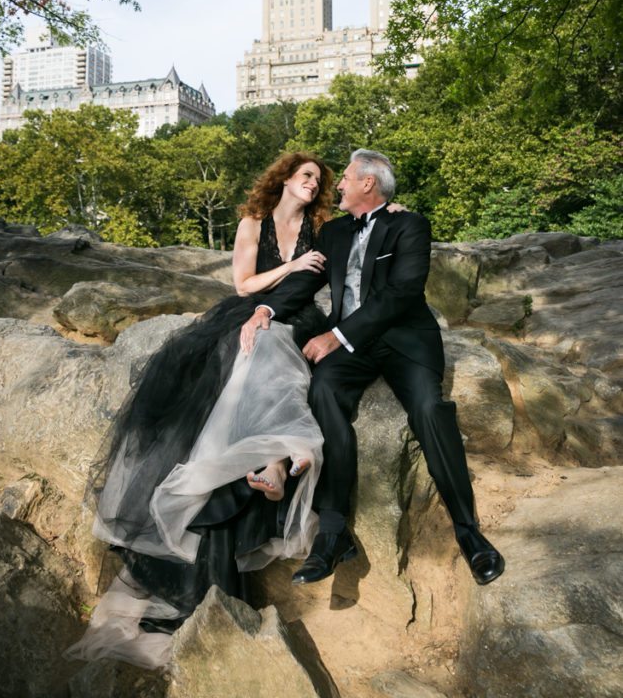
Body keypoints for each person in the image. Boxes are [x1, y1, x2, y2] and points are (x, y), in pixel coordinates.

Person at [66, 152, 334, 669]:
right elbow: (242, 283)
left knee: (274, 351)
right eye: (306, 176)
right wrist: (292, 265)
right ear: (283, 179)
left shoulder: (320, 229)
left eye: (318, 180)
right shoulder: (253, 222)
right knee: (225, 353)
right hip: (245, 306)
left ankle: (271, 459)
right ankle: (242, 460)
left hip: (295, 313)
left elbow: (310, 284)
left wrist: (300, 272)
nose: (313, 184)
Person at [243, 149, 505, 588]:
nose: (338, 185)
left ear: (368, 183)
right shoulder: (334, 231)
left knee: (427, 409)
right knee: (322, 391)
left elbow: (402, 293)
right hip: (353, 344)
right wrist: (266, 309)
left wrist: (336, 337)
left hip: (404, 340)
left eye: (344, 178)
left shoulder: (409, 225)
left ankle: (469, 532)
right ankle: (332, 533)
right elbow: (308, 280)